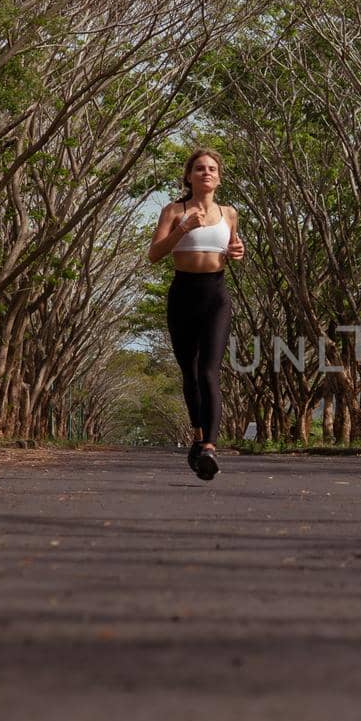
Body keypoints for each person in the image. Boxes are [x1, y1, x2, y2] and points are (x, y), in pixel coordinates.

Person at [148, 147, 245, 479]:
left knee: (208, 372)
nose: (206, 172)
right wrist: (182, 229)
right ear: (188, 176)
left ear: (219, 177)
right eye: (200, 168)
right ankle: (197, 436)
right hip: (182, 295)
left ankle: (210, 449)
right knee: (189, 374)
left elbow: (233, 249)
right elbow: (154, 254)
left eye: (212, 168)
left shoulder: (229, 213)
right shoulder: (174, 210)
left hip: (216, 296)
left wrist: (237, 251)